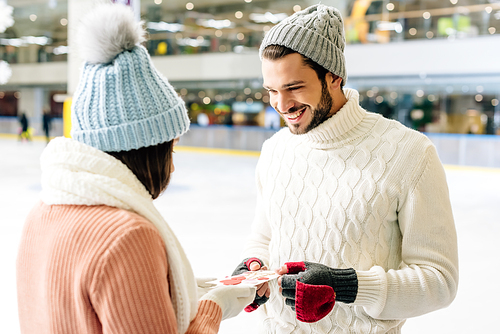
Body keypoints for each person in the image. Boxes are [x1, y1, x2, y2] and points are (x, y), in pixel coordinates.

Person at [16, 4, 255, 334]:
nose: (173, 163)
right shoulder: (127, 236)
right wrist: (214, 306)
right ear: (147, 150)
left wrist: (176, 289)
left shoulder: (40, 214)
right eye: (171, 147)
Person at [233, 4, 459, 333]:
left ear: (334, 77)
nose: (281, 105)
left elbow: (440, 282)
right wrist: (255, 265)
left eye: (294, 88)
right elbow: (264, 237)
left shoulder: (409, 153)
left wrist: (347, 286)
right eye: (271, 91)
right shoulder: (276, 150)